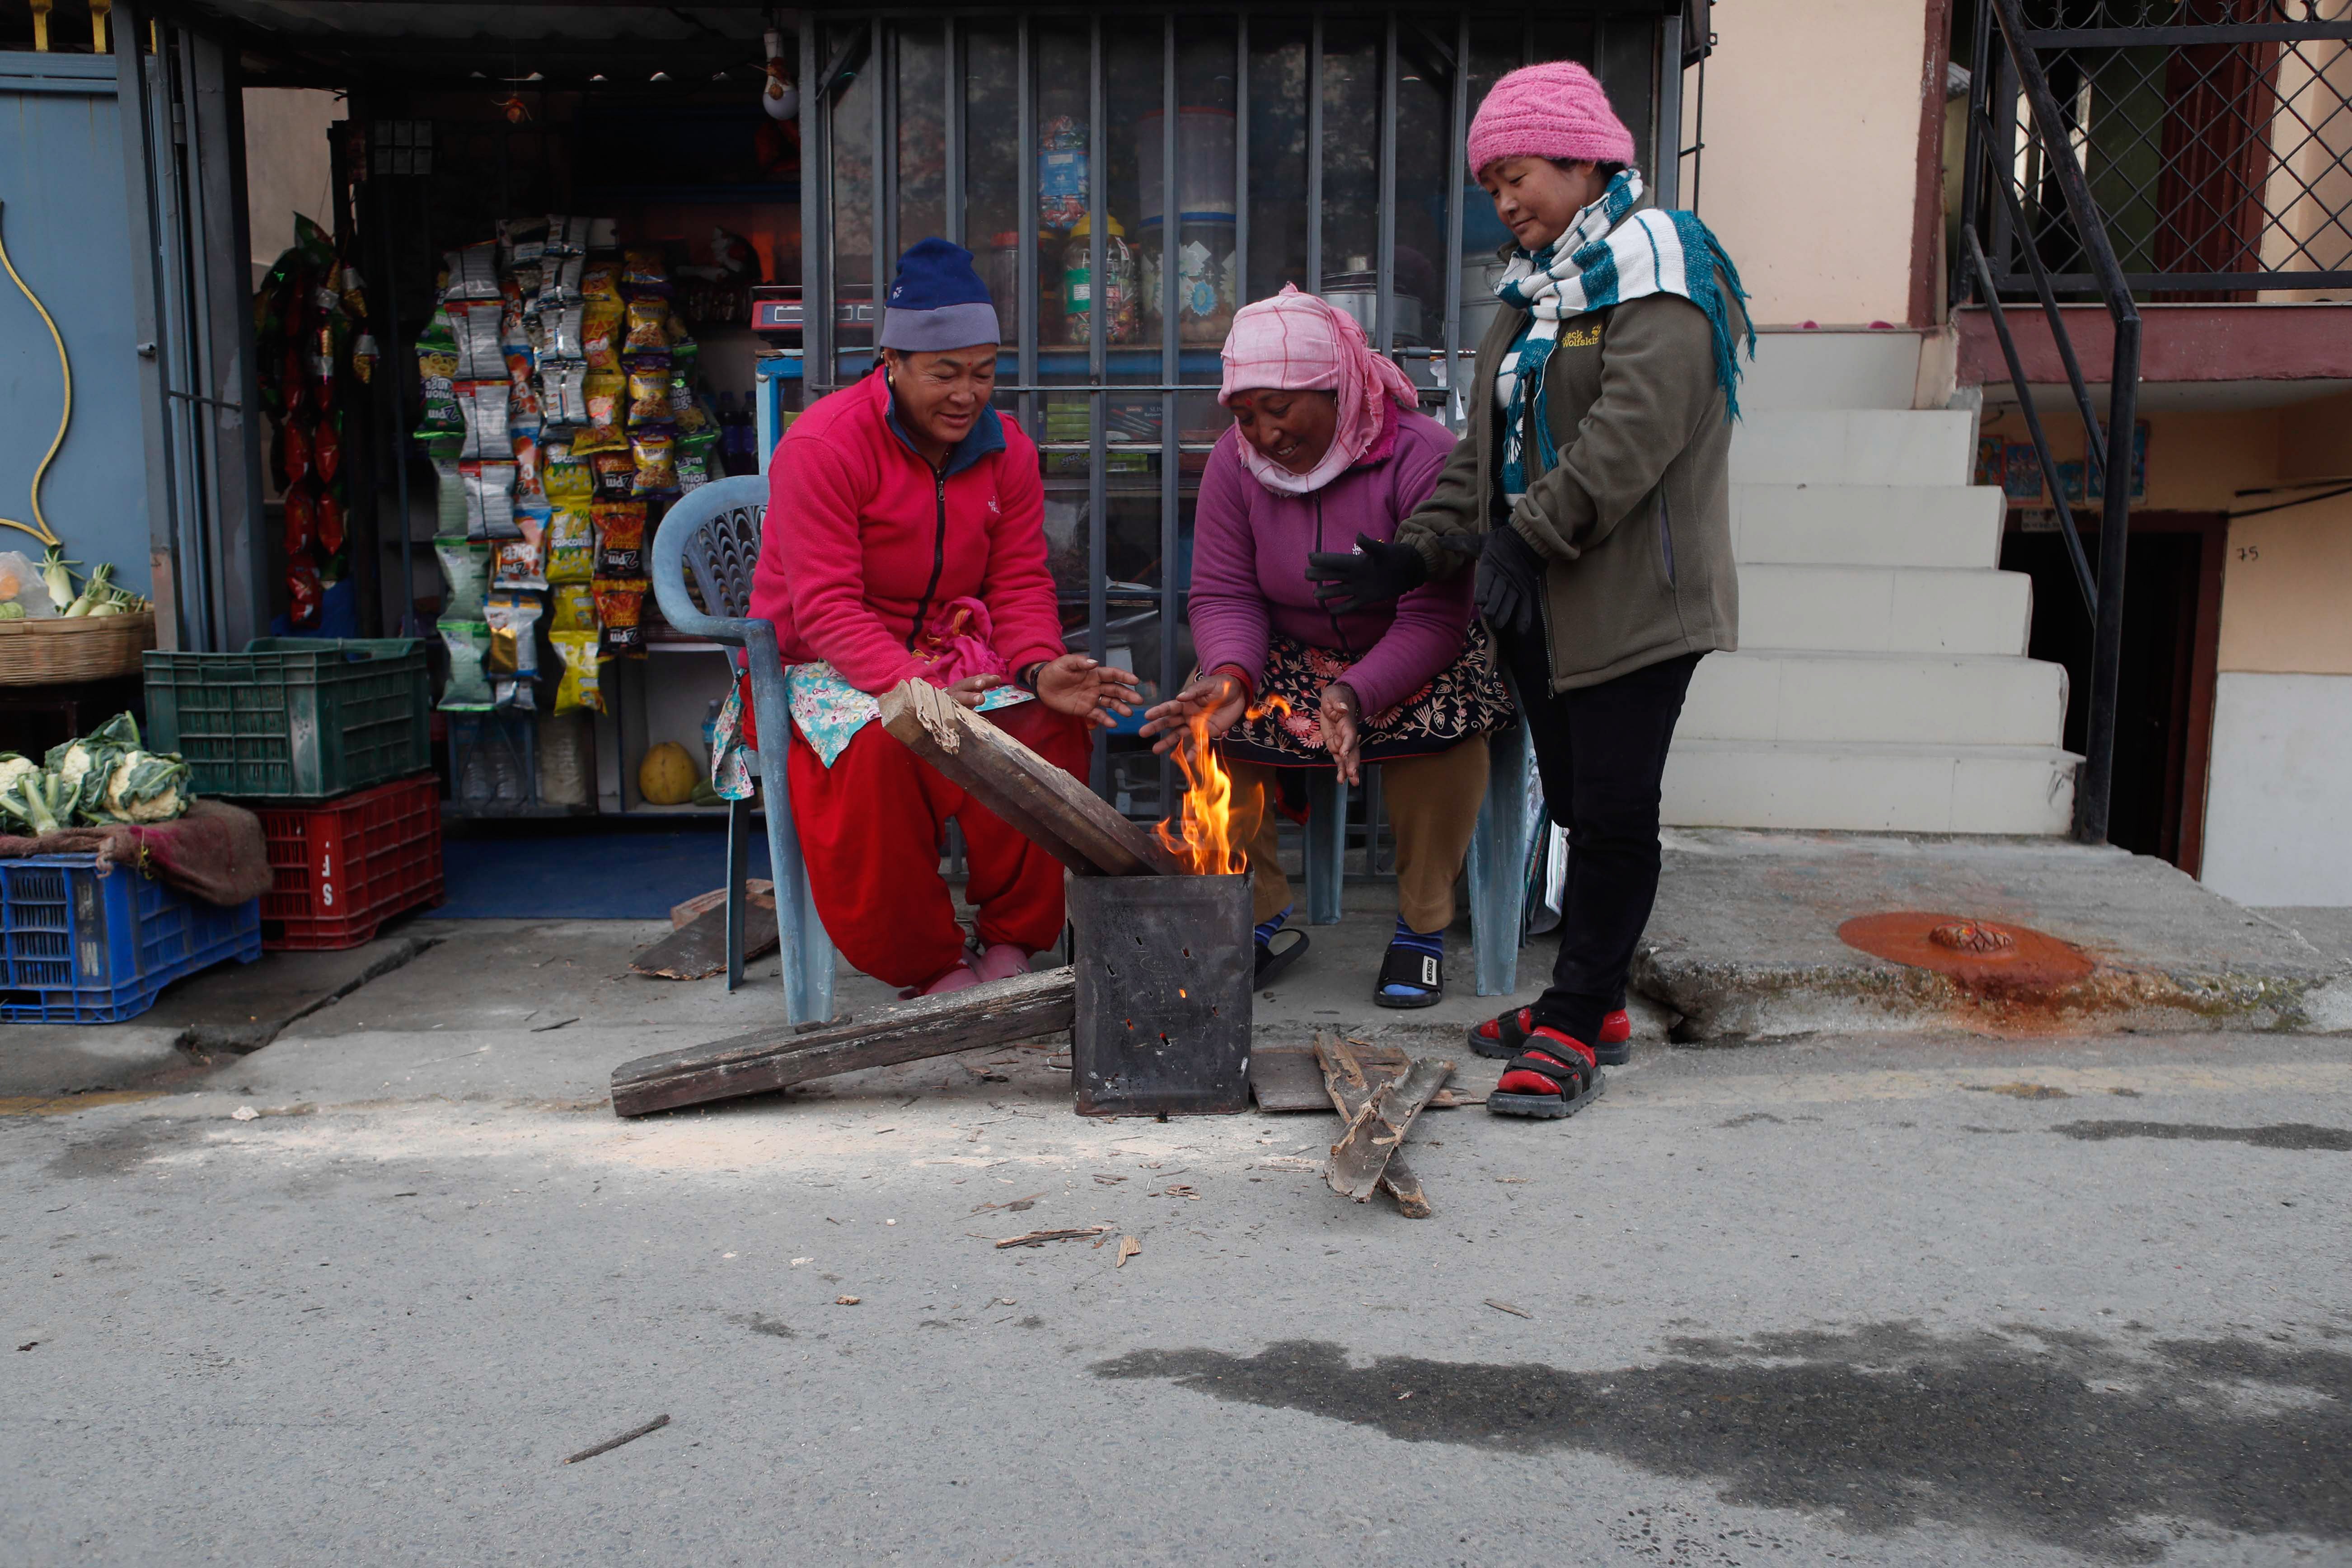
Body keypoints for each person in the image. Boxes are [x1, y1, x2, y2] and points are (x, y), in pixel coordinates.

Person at [1307, 61, 1753, 1118]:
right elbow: (1483, 446)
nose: (1505, 201)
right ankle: (1586, 999)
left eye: (1520, 175)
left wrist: (1520, 542)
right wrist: (1419, 551)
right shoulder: (1530, 295)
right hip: (1542, 603)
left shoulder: (1665, 272)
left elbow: (1626, 442)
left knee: (1609, 814)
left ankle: (1576, 1019)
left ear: (1586, 157)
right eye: (1492, 183)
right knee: (1573, 805)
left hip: (1637, 602)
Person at [749, 238, 1138, 997]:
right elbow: (824, 606)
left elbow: (1020, 583)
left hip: (952, 653)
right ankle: (923, 961)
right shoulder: (823, 447)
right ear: (891, 361)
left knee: (1047, 726)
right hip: (829, 663)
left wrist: (1037, 666)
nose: (967, 395)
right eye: (945, 374)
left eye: (984, 374)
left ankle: (1012, 939)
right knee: (882, 748)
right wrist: (908, 685)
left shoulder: (1007, 452)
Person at [1141, 286, 1513, 1006]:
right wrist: (1230, 676)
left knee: (1448, 736)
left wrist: (1353, 693)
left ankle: (1420, 926)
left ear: (1334, 386)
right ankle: (1255, 911)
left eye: (1279, 409)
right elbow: (1223, 593)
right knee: (1206, 721)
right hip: (1285, 646)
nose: (1263, 435)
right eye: (1245, 416)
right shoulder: (1232, 463)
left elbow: (1435, 613)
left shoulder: (1421, 454)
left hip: (1412, 649)